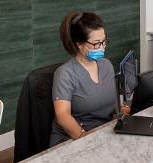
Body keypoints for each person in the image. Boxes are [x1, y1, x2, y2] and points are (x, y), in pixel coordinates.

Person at [50, 11, 123, 146]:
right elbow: (62, 116)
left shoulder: (106, 65)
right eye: (96, 44)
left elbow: (108, 100)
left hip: (102, 133)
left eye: (104, 41)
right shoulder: (65, 74)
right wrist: (86, 139)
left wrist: (121, 111)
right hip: (73, 138)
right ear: (79, 44)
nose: (102, 47)